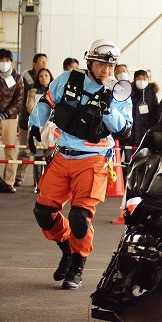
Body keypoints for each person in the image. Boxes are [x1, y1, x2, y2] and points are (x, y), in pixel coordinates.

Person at [28, 39, 132, 290]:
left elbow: (124, 129)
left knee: (79, 215)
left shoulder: (118, 92)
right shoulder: (67, 79)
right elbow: (47, 101)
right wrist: (34, 125)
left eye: (110, 65)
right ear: (89, 62)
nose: (106, 70)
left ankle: (78, 263)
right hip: (62, 155)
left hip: (93, 160)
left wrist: (108, 109)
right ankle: (67, 249)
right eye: (100, 64)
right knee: (43, 212)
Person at [0, 49, 24, 193]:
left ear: (11, 62)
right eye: (1, 60)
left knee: (10, 150)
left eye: (7, 60)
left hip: (9, 119)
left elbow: (19, 100)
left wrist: (5, 115)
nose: (4, 63)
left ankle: (9, 181)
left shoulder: (17, 78)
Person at [15, 53, 48, 187]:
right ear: (34, 64)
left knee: (42, 152)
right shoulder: (27, 76)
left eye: (45, 61)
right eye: (41, 61)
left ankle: (40, 181)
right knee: (24, 150)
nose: (44, 63)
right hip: (26, 121)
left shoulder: (49, 83)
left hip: (44, 126)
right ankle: (19, 177)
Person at [25, 67, 54, 193]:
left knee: (49, 158)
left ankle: (47, 184)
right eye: (41, 76)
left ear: (50, 77)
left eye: (46, 76)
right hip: (37, 125)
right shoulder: (32, 91)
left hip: (51, 127)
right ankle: (37, 183)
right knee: (37, 157)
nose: (43, 78)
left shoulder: (54, 91)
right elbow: (30, 107)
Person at [121, 70, 159, 163]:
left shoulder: (152, 95)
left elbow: (155, 115)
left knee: (144, 162)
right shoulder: (128, 93)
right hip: (129, 135)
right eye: (139, 78)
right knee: (128, 162)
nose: (142, 81)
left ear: (148, 79)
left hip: (145, 135)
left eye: (144, 78)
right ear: (134, 80)